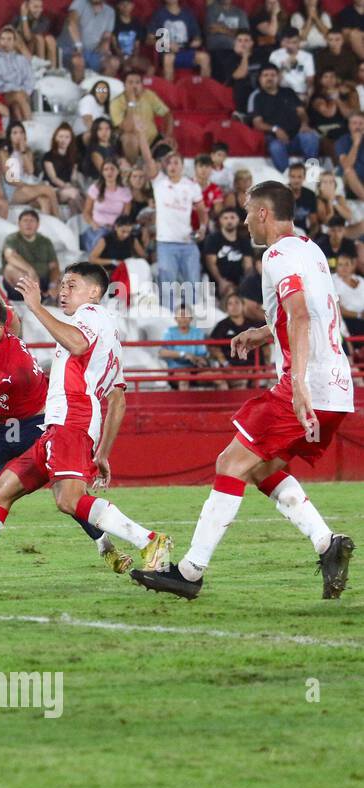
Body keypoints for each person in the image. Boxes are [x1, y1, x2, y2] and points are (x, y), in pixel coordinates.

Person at [133, 182, 355, 600]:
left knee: (230, 463)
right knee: (260, 468)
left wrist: (299, 386)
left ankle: (190, 572)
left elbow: (302, 317)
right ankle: (327, 545)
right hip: (337, 389)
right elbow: (310, 312)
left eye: (250, 211)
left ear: (265, 214)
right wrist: (263, 331)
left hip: (304, 386)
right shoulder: (310, 249)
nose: (247, 218)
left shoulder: (276, 255)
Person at [0, 264, 172, 589]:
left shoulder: (90, 314)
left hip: (71, 415)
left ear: (94, 292)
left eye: (71, 285)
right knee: (4, 489)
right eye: (61, 285)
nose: (63, 291)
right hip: (62, 421)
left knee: (68, 500)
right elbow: (118, 399)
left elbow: (77, 345)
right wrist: (103, 452)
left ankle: (151, 541)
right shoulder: (111, 338)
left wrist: (35, 306)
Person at [0, 292, 129, 570]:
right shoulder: (3, 323)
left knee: (65, 491)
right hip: (2, 423)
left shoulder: (9, 373)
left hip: (34, 424)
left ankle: (106, 547)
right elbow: (13, 315)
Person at [146, 149, 207, 314]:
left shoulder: (192, 186)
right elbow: (148, 158)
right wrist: (140, 135)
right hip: (165, 243)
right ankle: (168, 318)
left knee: (193, 283)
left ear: (182, 166)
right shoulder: (159, 182)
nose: (172, 166)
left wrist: (202, 228)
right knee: (167, 285)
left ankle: (193, 318)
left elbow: (202, 210)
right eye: (169, 163)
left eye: (176, 163)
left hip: (187, 242)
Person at [251, 63, 319, 172]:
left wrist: (304, 124)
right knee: (275, 147)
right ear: (260, 79)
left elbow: (301, 112)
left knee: (310, 138)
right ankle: (288, 180)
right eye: (266, 75)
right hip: (277, 139)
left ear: (278, 77)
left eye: (273, 75)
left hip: (297, 135)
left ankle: (313, 176)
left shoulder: (288, 92)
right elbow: (257, 123)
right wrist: (275, 129)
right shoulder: (258, 98)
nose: (269, 78)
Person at [109, 70, 172, 164]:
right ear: (124, 85)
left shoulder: (149, 95)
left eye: (137, 82)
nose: (134, 86)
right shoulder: (116, 103)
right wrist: (131, 102)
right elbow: (127, 128)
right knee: (129, 139)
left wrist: (167, 136)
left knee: (167, 152)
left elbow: (167, 114)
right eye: (130, 83)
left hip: (152, 140)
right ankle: (134, 169)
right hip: (129, 144)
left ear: (142, 85)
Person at [208, 289, 265, 389]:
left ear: (243, 306)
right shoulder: (221, 326)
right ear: (226, 308)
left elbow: (266, 346)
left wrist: (263, 367)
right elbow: (213, 347)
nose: (234, 306)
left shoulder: (254, 324)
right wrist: (226, 366)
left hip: (254, 367)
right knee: (241, 382)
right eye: (230, 304)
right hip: (231, 368)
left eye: (237, 303)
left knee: (271, 381)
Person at [1, 208, 60, 302]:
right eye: (25, 220)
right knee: (10, 268)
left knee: (69, 277)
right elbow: (10, 256)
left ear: (38, 224)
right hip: (20, 282)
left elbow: (54, 267)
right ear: (19, 224)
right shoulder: (12, 239)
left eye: (32, 221)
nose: (28, 224)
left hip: (44, 281)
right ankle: (37, 297)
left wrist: (52, 284)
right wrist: (30, 270)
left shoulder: (45, 241)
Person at [148, 0, 212, 82]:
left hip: (186, 50)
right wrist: (167, 44)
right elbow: (150, 38)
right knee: (168, 59)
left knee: (205, 58)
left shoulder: (187, 14)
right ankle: (170, 92)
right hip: (168, 52)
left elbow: (198, 37)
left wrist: (195, 42)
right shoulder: (159, 15)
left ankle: (203, 89)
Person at [203, 207, 254, 300]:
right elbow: (211, 263)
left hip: (239, 282)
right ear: (220, 221)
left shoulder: (244, 241)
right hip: (216, 283)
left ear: (238, 220)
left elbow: (248, 266)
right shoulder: (213, 239)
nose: (229, 221)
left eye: (232, 217)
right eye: (225, 218)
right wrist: (221, 281)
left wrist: (244, 284)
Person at [159, 303, 213, 390]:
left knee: (218, 378)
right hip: (177, 370)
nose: (183, 318)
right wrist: (184, 354)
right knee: (184, 378)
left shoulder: (198, 332)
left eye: (186, 315)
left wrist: (199, 360)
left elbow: (202, 353)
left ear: (191, 318)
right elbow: (162, 352)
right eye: (180, 315)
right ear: (175, 318)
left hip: (195, 369)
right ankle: (184, 403)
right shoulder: (169, 332)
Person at [0, 26, 33, 122]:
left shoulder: (21, 59)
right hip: (2, 93)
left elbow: (29, 79)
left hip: (21, 94)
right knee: (18, 96)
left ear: (14, 42)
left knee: (16, 107)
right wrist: (16, 90)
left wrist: (25, 92)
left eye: (9, 39)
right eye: (3, 39)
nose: (5, 42)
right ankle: (30, 125)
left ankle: (22, 127)